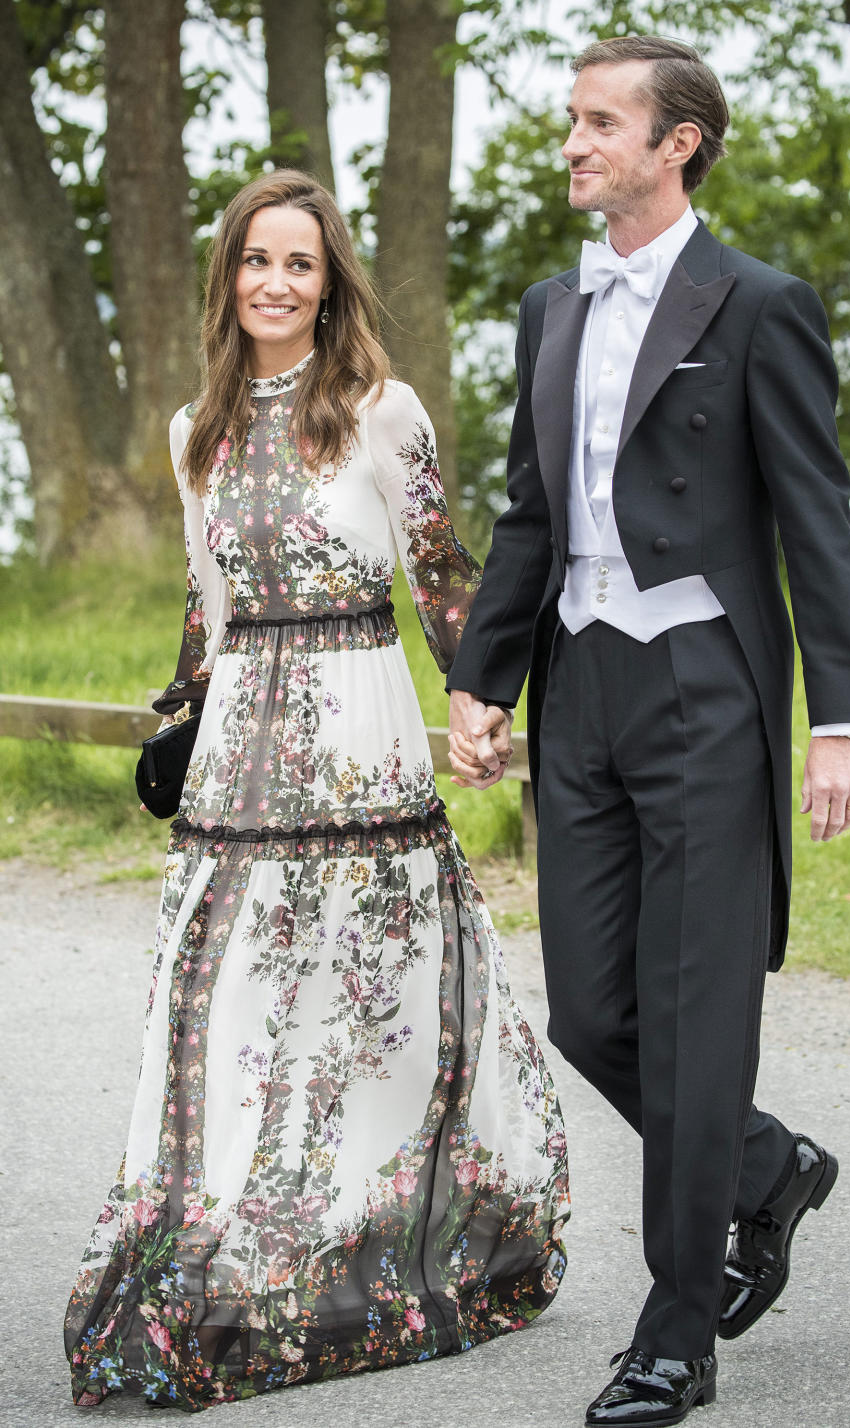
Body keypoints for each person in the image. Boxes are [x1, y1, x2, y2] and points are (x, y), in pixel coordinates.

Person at [64, 170, 569, 1413]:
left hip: (361, 726)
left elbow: (444, 577)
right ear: (227, 279)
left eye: (300, 263)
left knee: (372, 1003)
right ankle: (226, 1248)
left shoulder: (382, 414)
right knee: (225, 997)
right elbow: (209, 601)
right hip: (241, 744)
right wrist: (179, 711)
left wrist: (484, 699)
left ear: (330, 280)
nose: (275, 283)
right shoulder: (196, 431)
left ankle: (380, 1249)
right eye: (254, 261)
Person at [447, 35, 850, 1428]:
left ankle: (675, 1331)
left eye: (599, 122)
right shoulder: (547, 309)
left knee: (700, 1025)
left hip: (706, 688)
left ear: (677, 142)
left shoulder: (759, 303)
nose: (571, 142)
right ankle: (767, 1168)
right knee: (590, 1007)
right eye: (573, 120)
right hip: (582, 686)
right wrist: (486, 678)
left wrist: (846, 718)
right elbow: (533, 509)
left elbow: (816, 516)